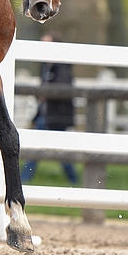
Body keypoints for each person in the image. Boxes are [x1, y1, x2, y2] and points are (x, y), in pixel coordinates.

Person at [22, 32, 78, 184]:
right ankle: (25, 178)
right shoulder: (46, 67)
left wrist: (45, 93)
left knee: (58, 151)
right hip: (46, 114)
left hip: (56, 115)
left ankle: (73, 179)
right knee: (43, 149)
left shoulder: (61, 67)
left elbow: (62, 90)